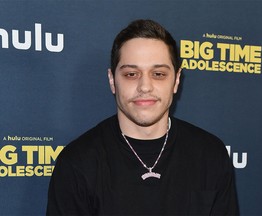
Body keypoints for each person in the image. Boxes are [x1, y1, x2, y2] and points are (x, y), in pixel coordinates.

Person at [46, 19, 239, 215]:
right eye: (131, 74)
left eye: (158, 74)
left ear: (176, 80)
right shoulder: (77, 163)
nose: (145, 86)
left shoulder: (210, 154)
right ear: (112, 80)